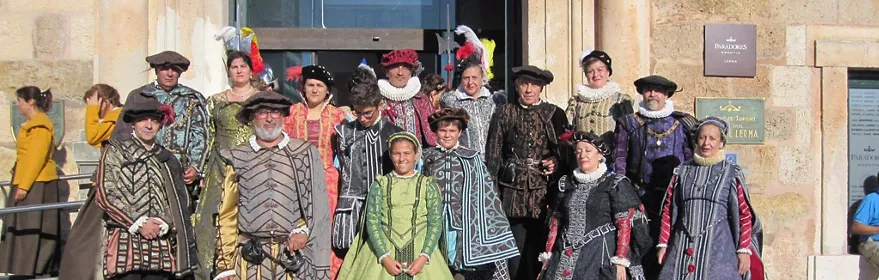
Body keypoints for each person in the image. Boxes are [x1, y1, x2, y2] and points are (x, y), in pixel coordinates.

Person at [214, 90, 331, 280]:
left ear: (283, 116)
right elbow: (227, 213)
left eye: (275, 112)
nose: (269, 118)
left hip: (292, 261)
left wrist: (303, 230)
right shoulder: (237, 156)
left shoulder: (304, 153)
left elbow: (316, 205)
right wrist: (225, 266)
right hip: (250, 260)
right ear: (253, 117)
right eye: (262, 113)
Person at [95, 97, 198, 279]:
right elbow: (105, 194)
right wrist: (138, 222)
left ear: (160, 126)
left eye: (155, 121)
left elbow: (181, 199)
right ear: (134, 123)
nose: (149, 125)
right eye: (143, 120)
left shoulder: (167, 158)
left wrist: (164, 221)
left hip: (161, 243)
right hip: (125, 240)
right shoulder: (116, 151)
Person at [485, 65, 568, 280]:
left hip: (543, 193)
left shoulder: (554, 114)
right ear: (516, 86)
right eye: (524, 84)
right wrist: (492, 191)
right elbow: (493, 154)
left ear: (541, 88)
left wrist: (555, 162)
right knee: (515, 247)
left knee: (541, 246)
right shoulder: (505, 112)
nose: (529, 89)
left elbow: (564, 152)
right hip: (512, 191)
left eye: (534, 85)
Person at [656, 117, 765, 280]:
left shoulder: (731, 173)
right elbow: (669, 210)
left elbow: (745, 214)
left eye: (712, 138)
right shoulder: (682, 172)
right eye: (702, 137)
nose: (706, 143)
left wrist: (743, 250)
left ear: (721, 143)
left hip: (719, 251)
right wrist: (663, 244)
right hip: (682, 247)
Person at [337, 132, 453, 280]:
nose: (402, 158)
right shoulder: (380, 185)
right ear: (391, 156)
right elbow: (372, 222)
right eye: (397, 153)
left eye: (407, 153)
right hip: (384, 252)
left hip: (421, 252)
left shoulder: (428, 185)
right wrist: (384, 257)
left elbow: (435, 223)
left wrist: (424, 257)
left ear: (416, 155)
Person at [422, 108, 519, 279]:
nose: (447, 135)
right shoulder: (427, 157)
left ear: (459, 132)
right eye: (443, 130)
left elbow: (485, 192)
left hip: (465, 220)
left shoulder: (471, 158)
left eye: (452, 131)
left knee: (461, 261)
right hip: (435, 218)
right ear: (436, 132)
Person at [540, 131, 650, 280]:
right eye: (578, 151)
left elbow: (626, 222)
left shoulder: (615, 184)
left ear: (599, 155)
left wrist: (621, 259)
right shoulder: (566, 183)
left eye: (588, 150)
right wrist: (548, 253)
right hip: (564, 254)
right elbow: (555, 220)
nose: (582, 155)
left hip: (601, 256)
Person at [192, 50, 258, 279]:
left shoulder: (261, 99)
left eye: (242, 66)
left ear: (251, 70)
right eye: (234, 67)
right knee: (212, 218)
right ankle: (213, 271)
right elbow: (208, 136)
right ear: (229, 71)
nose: (239, 71)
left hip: (252, 167)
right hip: (219, 168)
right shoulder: (216, 101)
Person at [111, 50, 210, 197]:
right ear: (156, 70)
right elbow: (122, 133)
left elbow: (201, 135)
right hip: (142, 168)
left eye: (175, 70)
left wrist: (196, 167)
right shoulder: (140, 96)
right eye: (165, 69)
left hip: (180, 171)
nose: (169, 74)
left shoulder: (192, 98)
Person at [283, 64, 348, 278]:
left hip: (327, 180)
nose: (314, 90)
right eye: (310, 85)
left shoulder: (337, 115)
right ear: (304, 87)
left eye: (319, 85)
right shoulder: (292, 113)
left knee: (325, 229)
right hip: (295, 179)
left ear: (327, 90)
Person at [332, 64, 403, 252]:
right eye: (358, 113)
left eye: (368, 113)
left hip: (385, 209)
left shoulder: (395, 133)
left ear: (380, 106)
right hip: (351, 209)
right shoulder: (343, 132)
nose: (362, 118)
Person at [0, 87, 62, 278]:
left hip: (36, 183)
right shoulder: (33, 124)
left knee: (32, 225)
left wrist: (24, 186)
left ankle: (34, 268)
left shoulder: (40, 126)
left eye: (19, 100)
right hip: (27, 180)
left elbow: (36, 158)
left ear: (31, 102)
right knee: (21, 225)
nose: (17, 104)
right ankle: (22, 267)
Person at [440, 26, 506, 157]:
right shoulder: (453, 102)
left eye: (474, 78)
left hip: (493, 162)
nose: (470, 82)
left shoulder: (494, 100)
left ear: (483, 79)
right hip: (465, 162)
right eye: (466, 78)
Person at [566, 50, 633, 147]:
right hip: (582, 158)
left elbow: (629, 133)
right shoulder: (576, 102)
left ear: (608, 72)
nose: (595, 75)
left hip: (611, 158)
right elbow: (566, 132)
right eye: (590, 71)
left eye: (600, 70)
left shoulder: (620, 100)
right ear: (586, 75)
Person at [378, 49, 436, 147]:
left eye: (405, 67)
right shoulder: (376, 99)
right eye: (395, 67)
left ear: (411, 71)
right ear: (386, 71)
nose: (400, 73)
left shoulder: (421, 100)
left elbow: (432, 134)